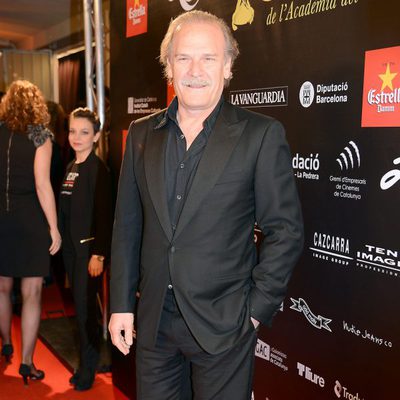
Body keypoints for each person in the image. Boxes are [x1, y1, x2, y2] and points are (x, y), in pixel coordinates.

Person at [109, 10, 304, 399]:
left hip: (225, 324)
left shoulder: (260, 135)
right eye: (183, 57)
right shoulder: (143, 134)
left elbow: (286, 230)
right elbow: (127, 226)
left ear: (228, 66)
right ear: (169, 65)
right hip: (153, 325)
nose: (194, 69)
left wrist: (253, 311)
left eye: (208, 58)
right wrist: (120, 305)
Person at [0, 80, 61, 384]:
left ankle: (6, 344)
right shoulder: (40, 135)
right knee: (32, 293)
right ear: (37, 103)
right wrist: (54, 227)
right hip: (30, 222)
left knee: (1, 288)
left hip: (1, 218)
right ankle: (26, 362)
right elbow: (42, 185)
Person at [58, 107, 112, 391]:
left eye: (84, 132)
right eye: (72, 131)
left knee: (86, 313)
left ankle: (88, 370)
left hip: (89, 254)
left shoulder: (97, 170)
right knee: (80, 311)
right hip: (71, 254)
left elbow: (104, 216)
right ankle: (85, 365)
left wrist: (99, 254)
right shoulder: (71, 169)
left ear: (96, 136)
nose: (77, 137)